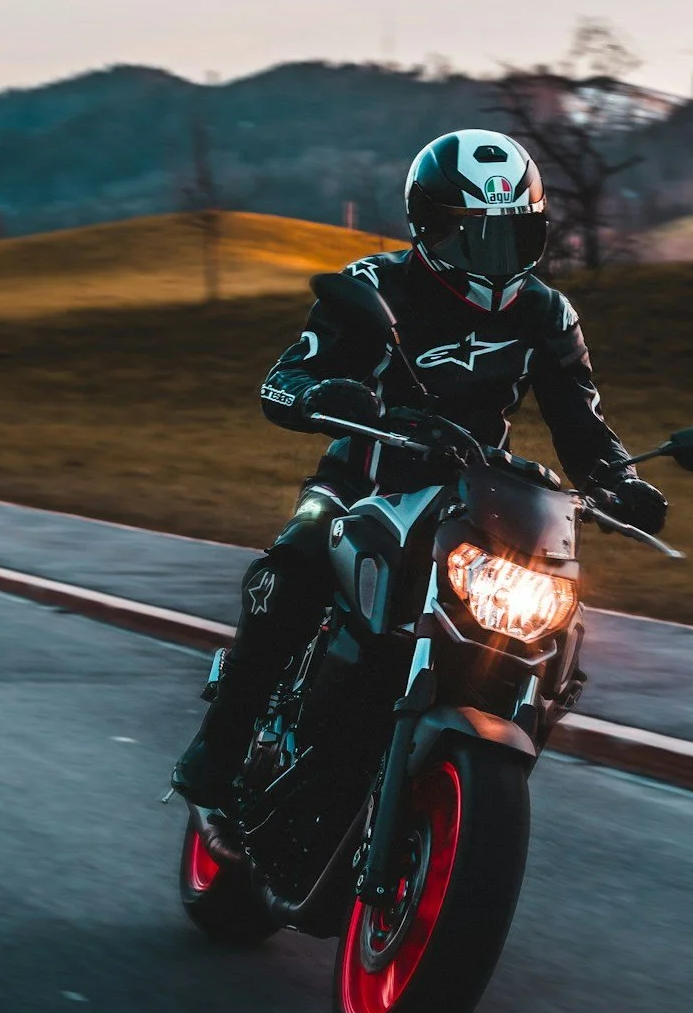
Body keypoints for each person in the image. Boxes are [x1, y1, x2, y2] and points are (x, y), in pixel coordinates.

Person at [172, 128, 667, 810]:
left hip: (477, 498)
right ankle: (220, 746)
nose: (495, 260)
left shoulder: (547, 314)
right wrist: (323, 394)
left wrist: (622, 480)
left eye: (513, 237)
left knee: (555, 627)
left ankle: (474, 763)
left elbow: (583, 426)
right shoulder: (374, 286)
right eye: (475, 239)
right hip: (361, 486)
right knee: (292, 569)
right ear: (428, 229)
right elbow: (283, 379)